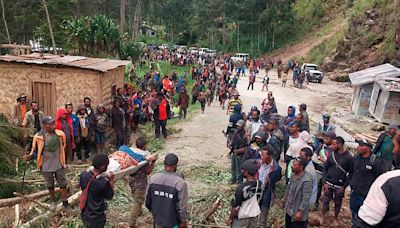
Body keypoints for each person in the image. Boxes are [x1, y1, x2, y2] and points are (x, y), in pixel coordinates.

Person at [23, 116, 70, 212]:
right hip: (45, 165)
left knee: (63, 183)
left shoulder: (60, 135)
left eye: (54, 123)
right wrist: (30, 157)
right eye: (51, 124)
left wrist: (63, 160)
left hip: (58, 163)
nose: (54, 125)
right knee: (49, 184)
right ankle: (53, 200)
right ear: (44, 125)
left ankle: (65, 203)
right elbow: (36, 151)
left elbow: (64, 147)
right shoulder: (38, 137)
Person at [349, 139, 388, 223]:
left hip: (366, 196)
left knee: (364, 218)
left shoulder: (375, 162)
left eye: (361, 146)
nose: (358, 147)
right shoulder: (356, 157)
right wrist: (351, 183)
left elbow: (379, 179)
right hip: (354, 193)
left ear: (368, 148)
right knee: (354, 213)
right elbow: (351, 172)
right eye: (358, 145)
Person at [146, 153, 188, 228]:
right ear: (175, 165)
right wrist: (182, 221)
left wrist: (153, 211)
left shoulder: (153, 179)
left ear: (164, 164)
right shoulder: (180, 183)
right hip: (173, 223)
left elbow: (147, 200)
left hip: (158, 220)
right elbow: (182, 207)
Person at [321, 136, 353, 226]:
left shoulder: (349, 158)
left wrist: (344, 187)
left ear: (340, 144)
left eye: (334, 144)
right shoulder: (332, 154)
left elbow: (351, 173)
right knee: (325, 200)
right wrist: (324, 182)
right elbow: (325, 168)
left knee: (338, 203)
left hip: (340, 185)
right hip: (329, 183)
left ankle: (335, 218)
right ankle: (323, 216)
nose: (332, 146)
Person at [79, 154, 115, 228]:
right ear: (103, 167)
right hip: (97, 216)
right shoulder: (103, 183)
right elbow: (110, 196)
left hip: (85, 213)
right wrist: (111, 181)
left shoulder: (83, 175)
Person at [129, 137, 157, 228]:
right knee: (138, 201)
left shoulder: (131, 152)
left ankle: (139, 212)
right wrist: (153, 162)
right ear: (144, 146)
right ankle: (132, 223)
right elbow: (148, 171)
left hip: (131, 180)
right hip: (140, 182)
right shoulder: (146, 155)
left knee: (135, 196)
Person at [227, 159, 262, 228]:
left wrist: (230, 218)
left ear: (246, 172)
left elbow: (235, 208)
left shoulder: (242, 188)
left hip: (241, 221)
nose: (241, 171)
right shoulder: (259, 184)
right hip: (253, 219)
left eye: (242, 169)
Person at [257, 146, 282, 228]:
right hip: (256, 191)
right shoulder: (258, 163)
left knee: (264, 212)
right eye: (261, 154)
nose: (261, 157)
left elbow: (277, 178)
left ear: (270, 156)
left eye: (264, 155)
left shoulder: (276, 168)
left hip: (267, 193)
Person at [284, 157, 312, 228]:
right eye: (293, 164)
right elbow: (289, 188)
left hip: (297, 212)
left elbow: (306, 197)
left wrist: (300, 211)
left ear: (301, 167)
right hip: (289, 210)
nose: (292, 166)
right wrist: (285, 198)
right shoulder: (293, 175)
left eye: (295, 165)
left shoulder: (306, 180)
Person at [312, 131, 335, 209]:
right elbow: (314, 158)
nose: (325, 140)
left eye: (327, 139)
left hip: (328, 173)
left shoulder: (334, 150)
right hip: (319, 171)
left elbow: (333, 163)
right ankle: (315, 203)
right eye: (324, 138)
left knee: (327, 191)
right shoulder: (321, 147)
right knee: (316, 188)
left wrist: (325, 162)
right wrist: (321, 161)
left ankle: (326, 207)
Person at [229, 119, 248, 184]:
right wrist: (230, 144)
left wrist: (238, 151)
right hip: (234, 151)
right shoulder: (236, 132)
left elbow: (247, 148)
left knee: (239, 169)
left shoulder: (246, 136)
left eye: (239, 126)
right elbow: (232, 140)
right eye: (237, 126)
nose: (237, 127)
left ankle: (239, 181)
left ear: (243, 127)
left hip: (241, 155)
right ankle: (233, 179)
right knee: (233, 166)